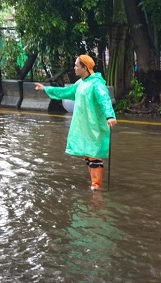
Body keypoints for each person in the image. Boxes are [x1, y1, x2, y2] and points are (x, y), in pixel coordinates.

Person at [35, 55, 117, 190]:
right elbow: (65, 92)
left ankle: (96, 187)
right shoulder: (80, 83)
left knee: (94, 155)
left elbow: (104, 99)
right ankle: (94, 183)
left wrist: (110, 116)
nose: (74, 68)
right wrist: (46, 89)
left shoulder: (96, 83)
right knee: (87, 153)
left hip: (94, 125)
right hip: (84, 125)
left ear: (84, 67)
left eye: (76, 65)